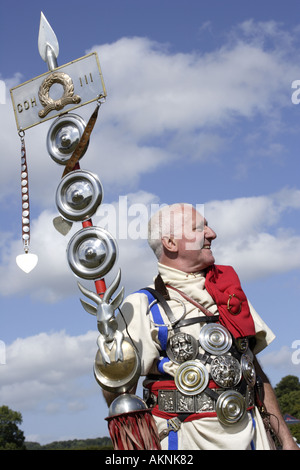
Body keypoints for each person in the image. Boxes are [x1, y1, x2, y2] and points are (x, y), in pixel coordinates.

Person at [103, 203, 298, 450]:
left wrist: (287, 441)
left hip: (253, 437)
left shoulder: (230, 296)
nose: (211, 233)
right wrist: (111, 364)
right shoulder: (141, 305)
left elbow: (255, 373)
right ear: (170, 243)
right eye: (199, 228)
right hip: (182, 440)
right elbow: (120, 396)